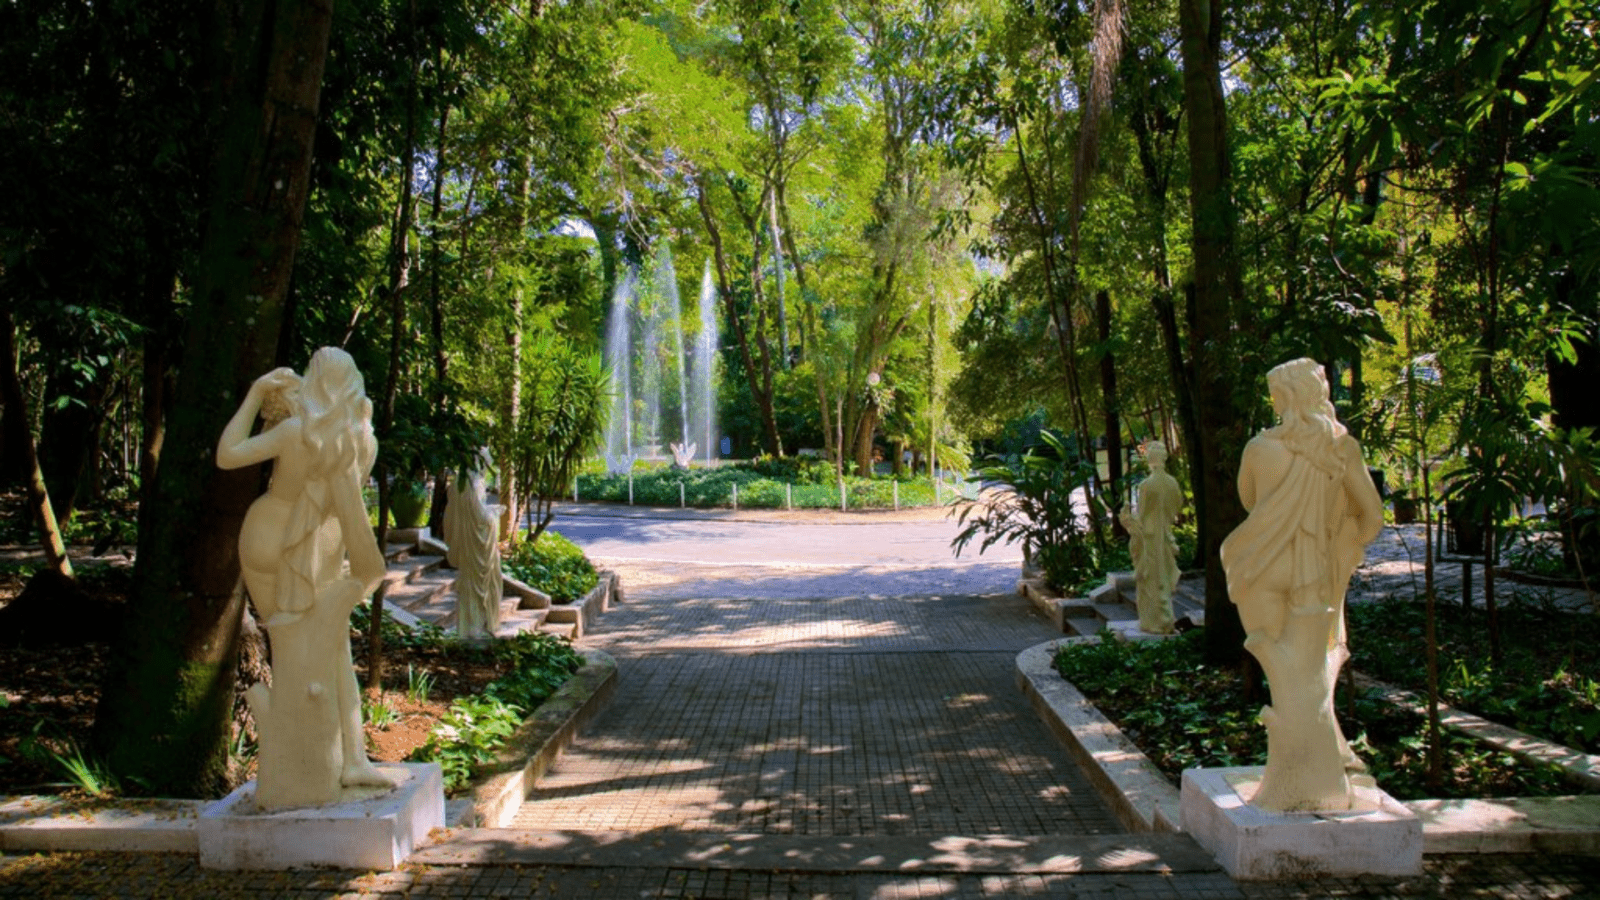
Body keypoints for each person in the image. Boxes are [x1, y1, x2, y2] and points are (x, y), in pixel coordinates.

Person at [217, 347, 396, 809]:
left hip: (268, 537)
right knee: (331, 648)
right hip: (321, 547)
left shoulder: (296, 431)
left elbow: (227, 455)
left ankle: (307, 770)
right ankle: (348, 757)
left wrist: (258, 393)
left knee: (296, 655)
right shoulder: (359, 440)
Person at [1220, 357, 1384, 813]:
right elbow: (1372, 517)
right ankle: (1322, 776)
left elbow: (1250, 500)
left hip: (1261, 570)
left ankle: (1303, 781)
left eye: (1275, 393)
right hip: (1316, 579)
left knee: (1287, 680)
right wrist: (1341, 545)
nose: (1273, 401)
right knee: (1309, 678)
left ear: (1287, 395)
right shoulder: (1341, 448)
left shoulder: (1258, 448)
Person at [1119, 442, 1182, 634]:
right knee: (1162, 576)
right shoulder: (1172, 483)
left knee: (1149, 579)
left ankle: (1153, 621)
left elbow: (1143, 516)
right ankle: (1164, 619)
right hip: (1164, 533)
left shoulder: (1146, 485)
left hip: (1149, 536)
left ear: (1150, 459)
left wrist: (1127, 520)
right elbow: (1176, 507)